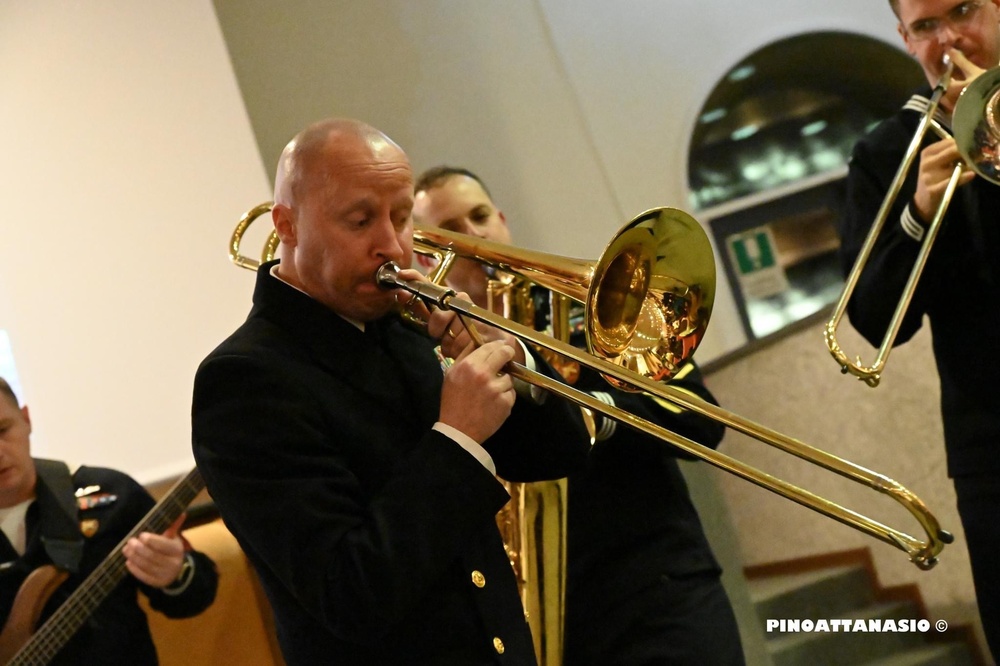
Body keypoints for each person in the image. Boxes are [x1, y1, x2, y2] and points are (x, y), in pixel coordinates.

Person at [190, 119, 591, 665]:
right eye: (360, 221)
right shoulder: (244, 380)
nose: (393, 245)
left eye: (402, 218)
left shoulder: (404, 326)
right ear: (288, 224)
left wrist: (510, 355)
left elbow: (556, 454)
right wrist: (458, 436)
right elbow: (349, 593)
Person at [413, 166, 746, 665]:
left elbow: (699, 418)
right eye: (452, 230)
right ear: (426, 256)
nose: (476, 235)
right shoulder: (431, 354)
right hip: (553, 626)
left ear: (501, 219)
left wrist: (592, 412)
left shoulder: (597, 314)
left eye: (480, 216)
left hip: (659, 591)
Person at [839, 0, 1000, 658]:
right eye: (926, 26)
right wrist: (916, 217)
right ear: (904, 39)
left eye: (963, 10)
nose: (949, 38)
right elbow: (877, 323)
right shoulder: (887, 153)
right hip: (992, 448)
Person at [0, 376, 218, 665]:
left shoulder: (112, 494)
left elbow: (196, 595)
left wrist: (174, 573)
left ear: (27, 419)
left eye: (3, 430)